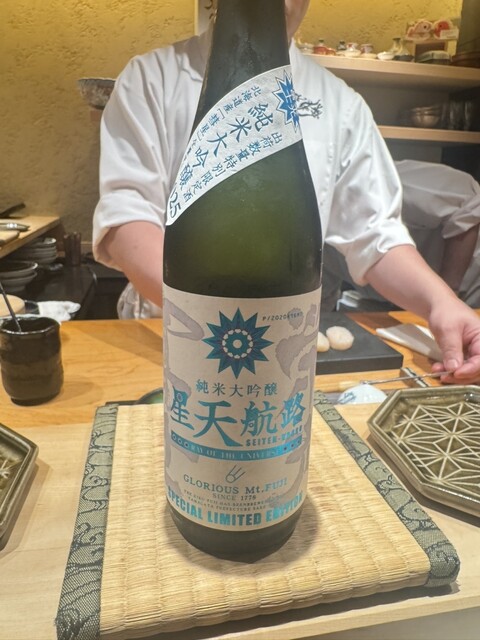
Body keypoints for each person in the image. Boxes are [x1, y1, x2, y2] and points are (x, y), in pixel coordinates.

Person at [92, 0, 480, 385]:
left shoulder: (339, 102)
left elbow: (375, 234)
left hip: (287, 348)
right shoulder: (152, 78)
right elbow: (128, 219)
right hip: (172, 336)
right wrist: (213, 320)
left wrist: (443, 303)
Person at [322, 159, 480, 311]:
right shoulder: (318, 244)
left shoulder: (377, 178)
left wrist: (448, 296)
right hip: (395, 306)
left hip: (469, 289)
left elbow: (468, 200)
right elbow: (321, 301)